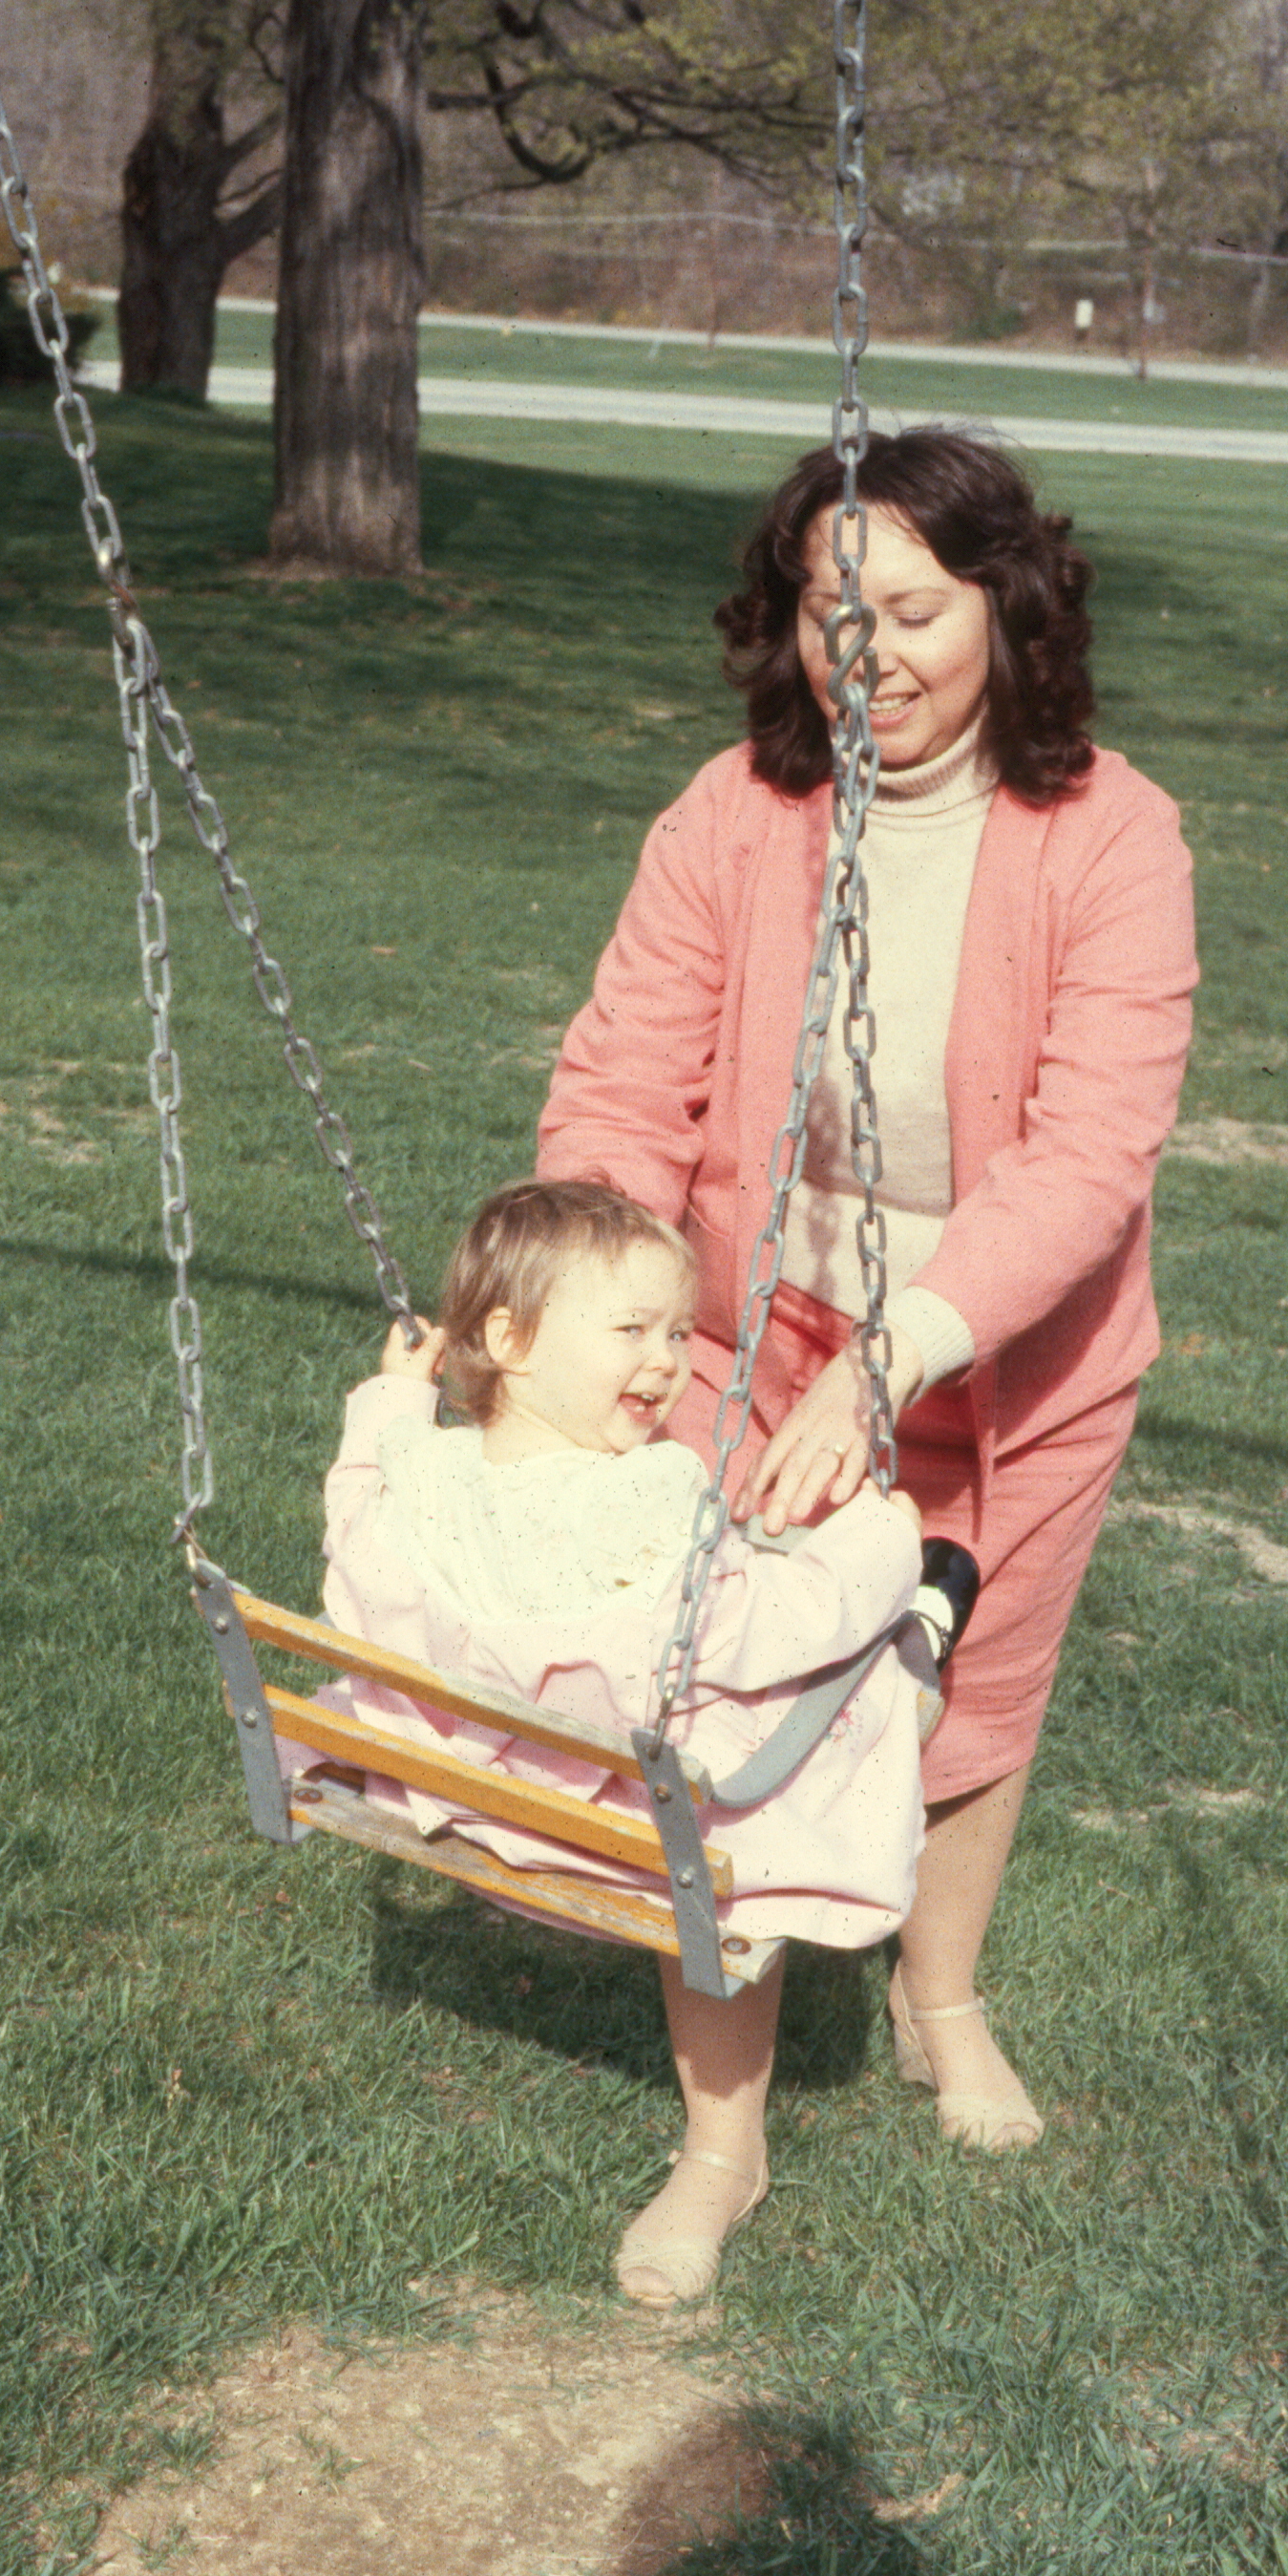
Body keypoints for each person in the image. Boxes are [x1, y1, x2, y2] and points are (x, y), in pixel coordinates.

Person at [536, 426, 1198, 2184]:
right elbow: (627, 1076)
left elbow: (1091, 1150)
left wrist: (897, 1357)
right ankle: (725, 2131)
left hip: (1012, 1357)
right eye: (836, 616)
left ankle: (940, 1993)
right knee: (717, 1675)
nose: (871, 658)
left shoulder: (1113, 835)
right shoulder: (735, 811)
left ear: (1008, 608)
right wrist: (579, 1292)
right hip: (753, 1338)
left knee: (979, 1684)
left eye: (914, 613)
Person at [321, 1177, 957, 2306]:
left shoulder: (417, 1478)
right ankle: (924, 1629)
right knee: (843, 1664)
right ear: (508, 1341)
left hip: (486, 1793)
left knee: (710, 1651)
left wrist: (389, 1397)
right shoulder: (650, 1500)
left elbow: (350, 1512)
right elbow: (774, 1625)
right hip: (628, 1829)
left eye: (674, 1332)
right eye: (630, 1331)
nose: (666, 1362)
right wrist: (879, 1541)